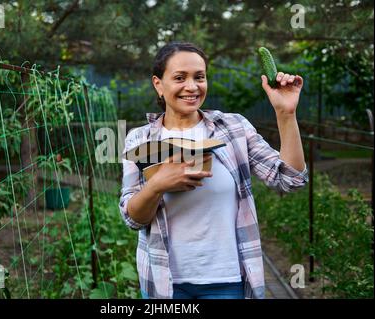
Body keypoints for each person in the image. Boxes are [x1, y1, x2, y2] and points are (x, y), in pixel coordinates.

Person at [119, 41, 308, 299]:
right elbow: (132, 218)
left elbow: (290, 180)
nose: (192, 86)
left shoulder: (234, 128)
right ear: (158, 84)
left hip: (226, 280)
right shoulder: (140, 140)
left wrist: (286, 114)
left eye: (199, 77)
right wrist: (157, 185)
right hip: (164, 283)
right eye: (179, 77)